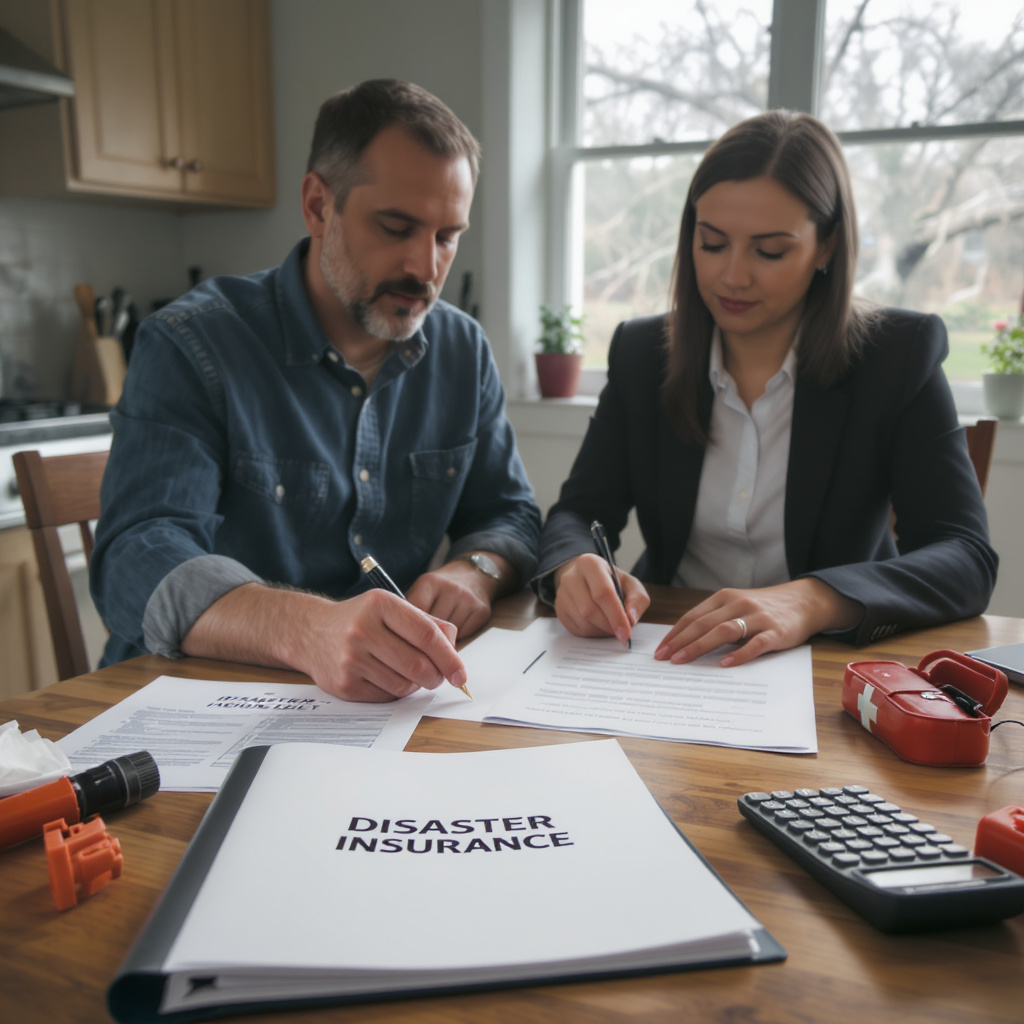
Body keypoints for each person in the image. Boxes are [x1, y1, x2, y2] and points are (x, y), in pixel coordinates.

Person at [91, 79, 541, 702]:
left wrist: (478, 569)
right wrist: (308, 629)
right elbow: (137, 556)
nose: (425, 267)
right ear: (318, 205)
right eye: (396, 226)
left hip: (376, 714)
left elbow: (509, 512)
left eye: (446, 236)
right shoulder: (191, 343)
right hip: (189, 705)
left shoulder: (462, 351)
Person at [535, 110, 997, 668]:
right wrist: (574, 565)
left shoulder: (896, 355)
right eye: (711, 243)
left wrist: (812, 599)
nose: (732, 276)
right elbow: (580, 512)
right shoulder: (641, 352)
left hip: (825, 663)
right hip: (667, 654)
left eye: (769, 251)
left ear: (826, 246)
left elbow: (966, 557)